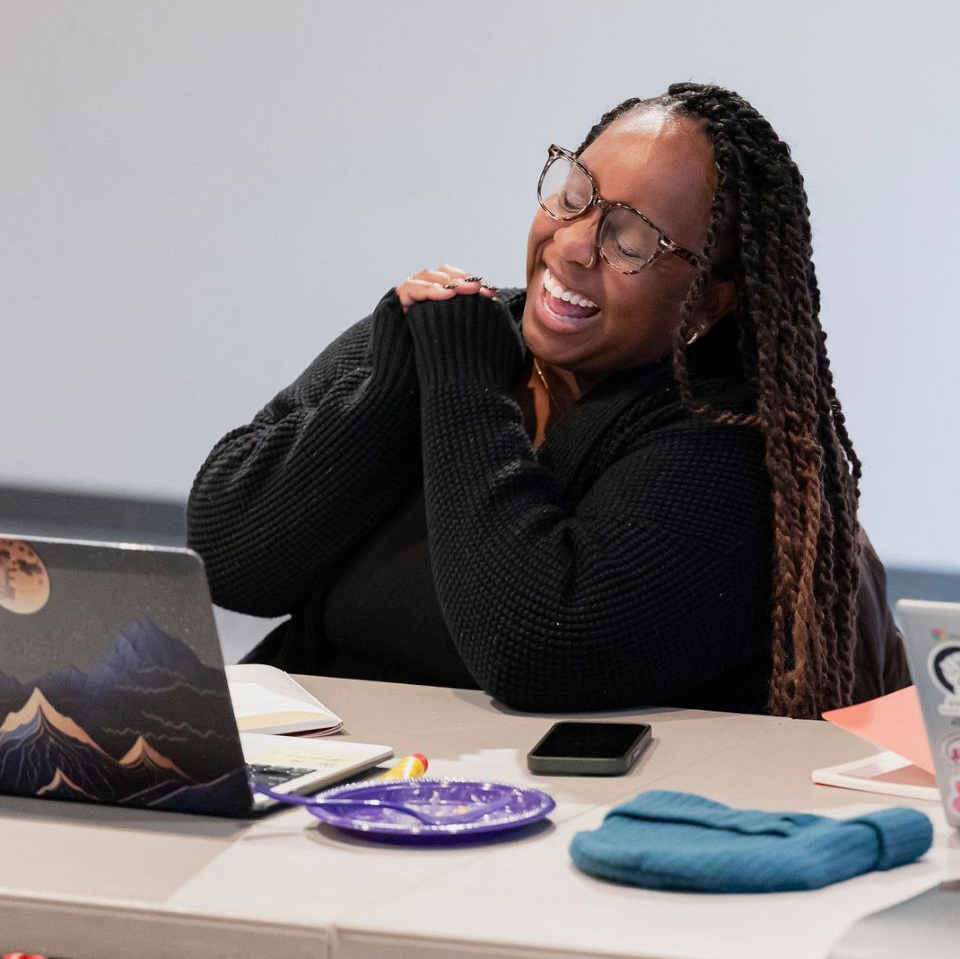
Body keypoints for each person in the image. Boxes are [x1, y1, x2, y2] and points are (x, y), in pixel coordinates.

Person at [187, 82, 908, 719]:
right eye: (575, 196)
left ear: (710, 303)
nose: (572, 246)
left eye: (632, 239)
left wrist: (464, 390)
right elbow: (231, 559)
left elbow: (539, 648)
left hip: (546, 824)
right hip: (314, 773)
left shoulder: (723, 439)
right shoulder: (449, 334)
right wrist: (393, 388)